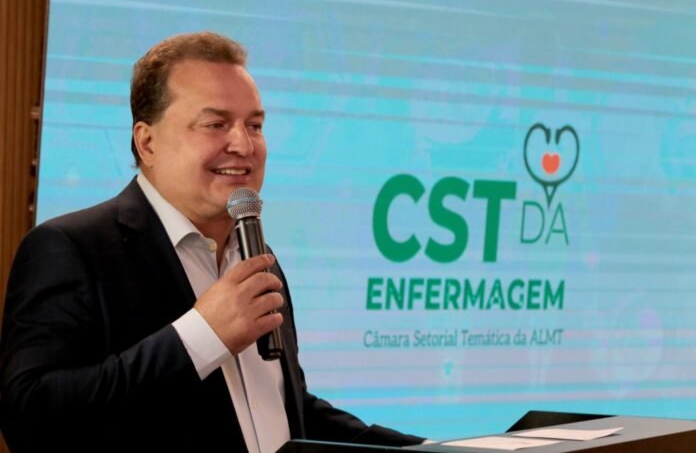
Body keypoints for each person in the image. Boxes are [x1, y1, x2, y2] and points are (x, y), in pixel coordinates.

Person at [0, 32, 425, 452]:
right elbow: (31, 418)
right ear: (147, 142)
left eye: (254, 125)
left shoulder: (258, 257)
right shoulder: (72, 248)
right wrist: (203, 335)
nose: (243, 144)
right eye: (215, 124)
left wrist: (428, 449)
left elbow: (283, 411)